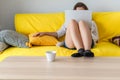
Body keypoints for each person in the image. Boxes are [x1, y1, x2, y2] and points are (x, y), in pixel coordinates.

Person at [33, 2, 99, 57]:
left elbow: (96, 38)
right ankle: (80, 50)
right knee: (72, 22)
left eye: (82, 13)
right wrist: (45, 33)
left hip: (86, 44)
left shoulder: (92, 23)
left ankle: (88, 51)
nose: (79, 14)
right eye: (77, 12)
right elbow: (58, 34)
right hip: (71, 43)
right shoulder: (68, 22)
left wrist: (87, 31)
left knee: (82, 22)